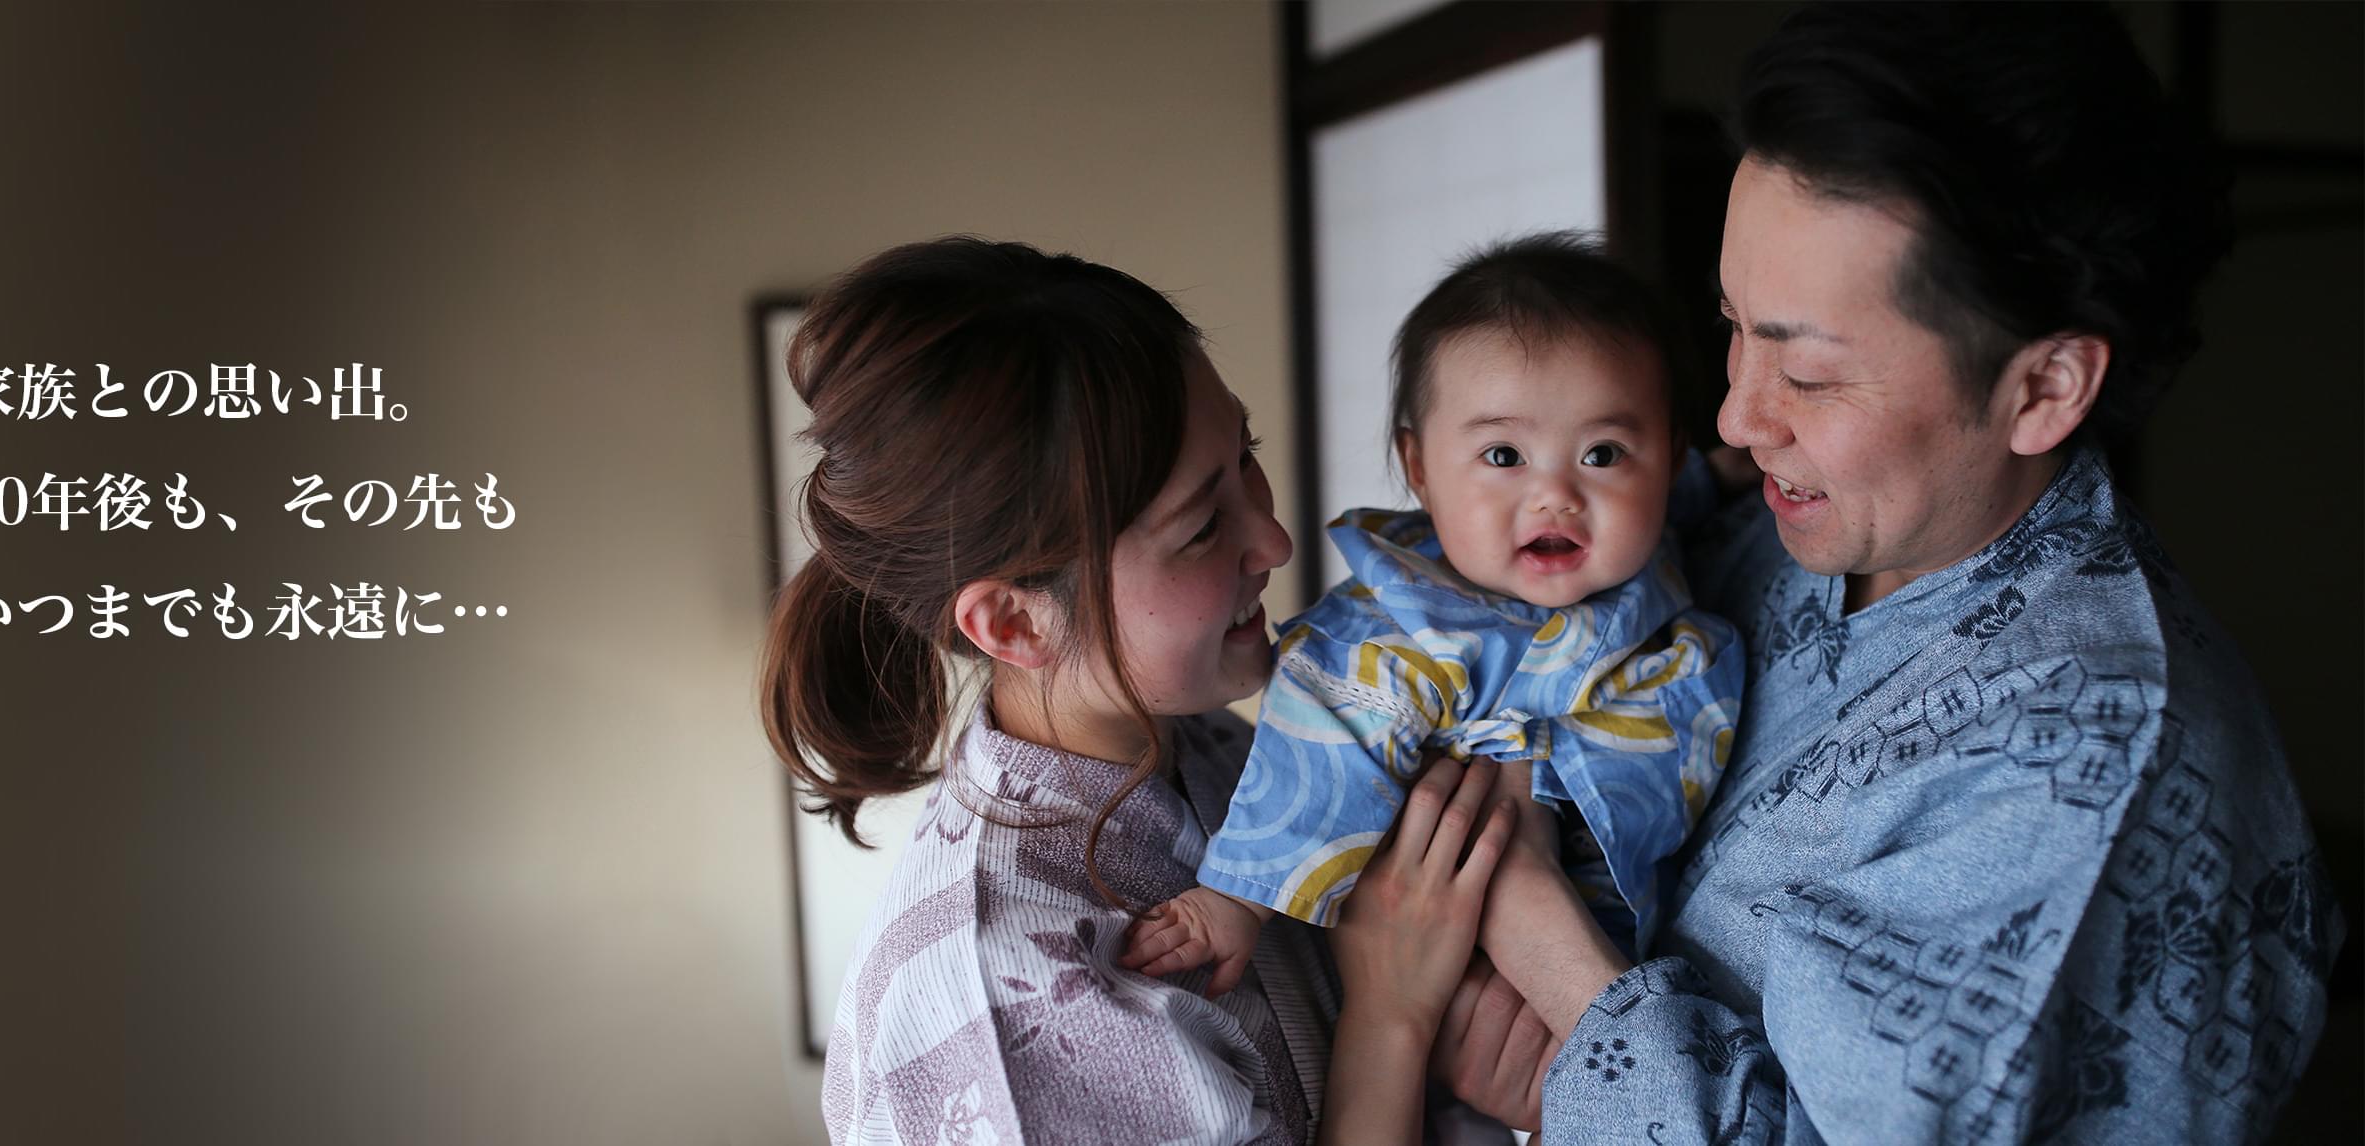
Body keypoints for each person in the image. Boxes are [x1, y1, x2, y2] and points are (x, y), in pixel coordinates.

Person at [1433, 6, 2344, 1142]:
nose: (1735, 413)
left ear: (2044, 387)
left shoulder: (2084, 754)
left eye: (1809, 375)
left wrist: (1542, 950)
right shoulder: (1780, 517)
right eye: (1732, 328)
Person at [762, 237, 1511, 1144]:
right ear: (1014, 623)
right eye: (1201, 527)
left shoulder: (1214, 745)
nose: (1273, 540)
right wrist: (1392, 1021)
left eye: (1248, 455)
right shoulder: (1006, 1011)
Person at [1120, 235, 1743, 999]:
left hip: (1639, 929)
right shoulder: (1403, 628)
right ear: (1419, 468)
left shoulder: (1648, 546)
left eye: (1604, 454)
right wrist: (1238, 899)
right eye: (1505, 457)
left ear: (1671, 456)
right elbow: (1323, 745)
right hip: (1475, 955)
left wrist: (1721, 476)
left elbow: (1671, 504)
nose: (1557, 496)